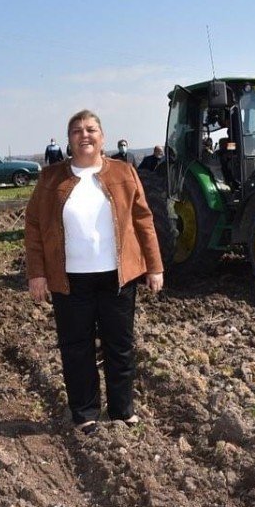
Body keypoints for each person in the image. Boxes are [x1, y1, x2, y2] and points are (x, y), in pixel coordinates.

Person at [25, 110, 164, 435]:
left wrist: (154, 266)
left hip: (118, 277)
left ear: (102, 137)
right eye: (77, 131)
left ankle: (122, 411)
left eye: (91, 129)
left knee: (120, 346)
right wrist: (37, 272)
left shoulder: (124, 172)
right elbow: (33, 226)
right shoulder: (51, 179)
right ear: (69, 139)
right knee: (76, 348)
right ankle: (85, 413)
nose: (84, 135)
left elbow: (143, 220)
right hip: (69, 279)